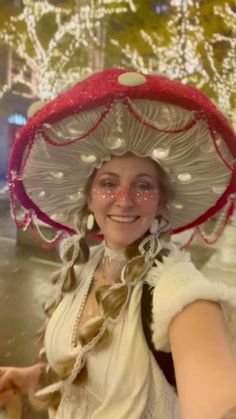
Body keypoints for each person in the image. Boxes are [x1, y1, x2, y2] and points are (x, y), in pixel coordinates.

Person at [1, 68, 236, 419]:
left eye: (143, 185)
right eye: (109, 183)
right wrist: (32, 377)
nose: (124, 200)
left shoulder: (179, 289)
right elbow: (84, 372)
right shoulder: (83, 266)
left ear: (160, 201)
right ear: (89, 197)